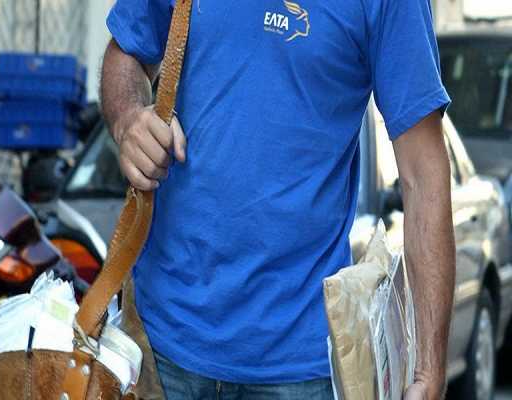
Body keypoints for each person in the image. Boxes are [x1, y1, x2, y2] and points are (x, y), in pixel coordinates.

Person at [100, 1, 455, 399]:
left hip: (300, 364)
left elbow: (423, 175)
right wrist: (128, 118)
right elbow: (127, 52)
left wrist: (429, 370)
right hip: (159, 346)